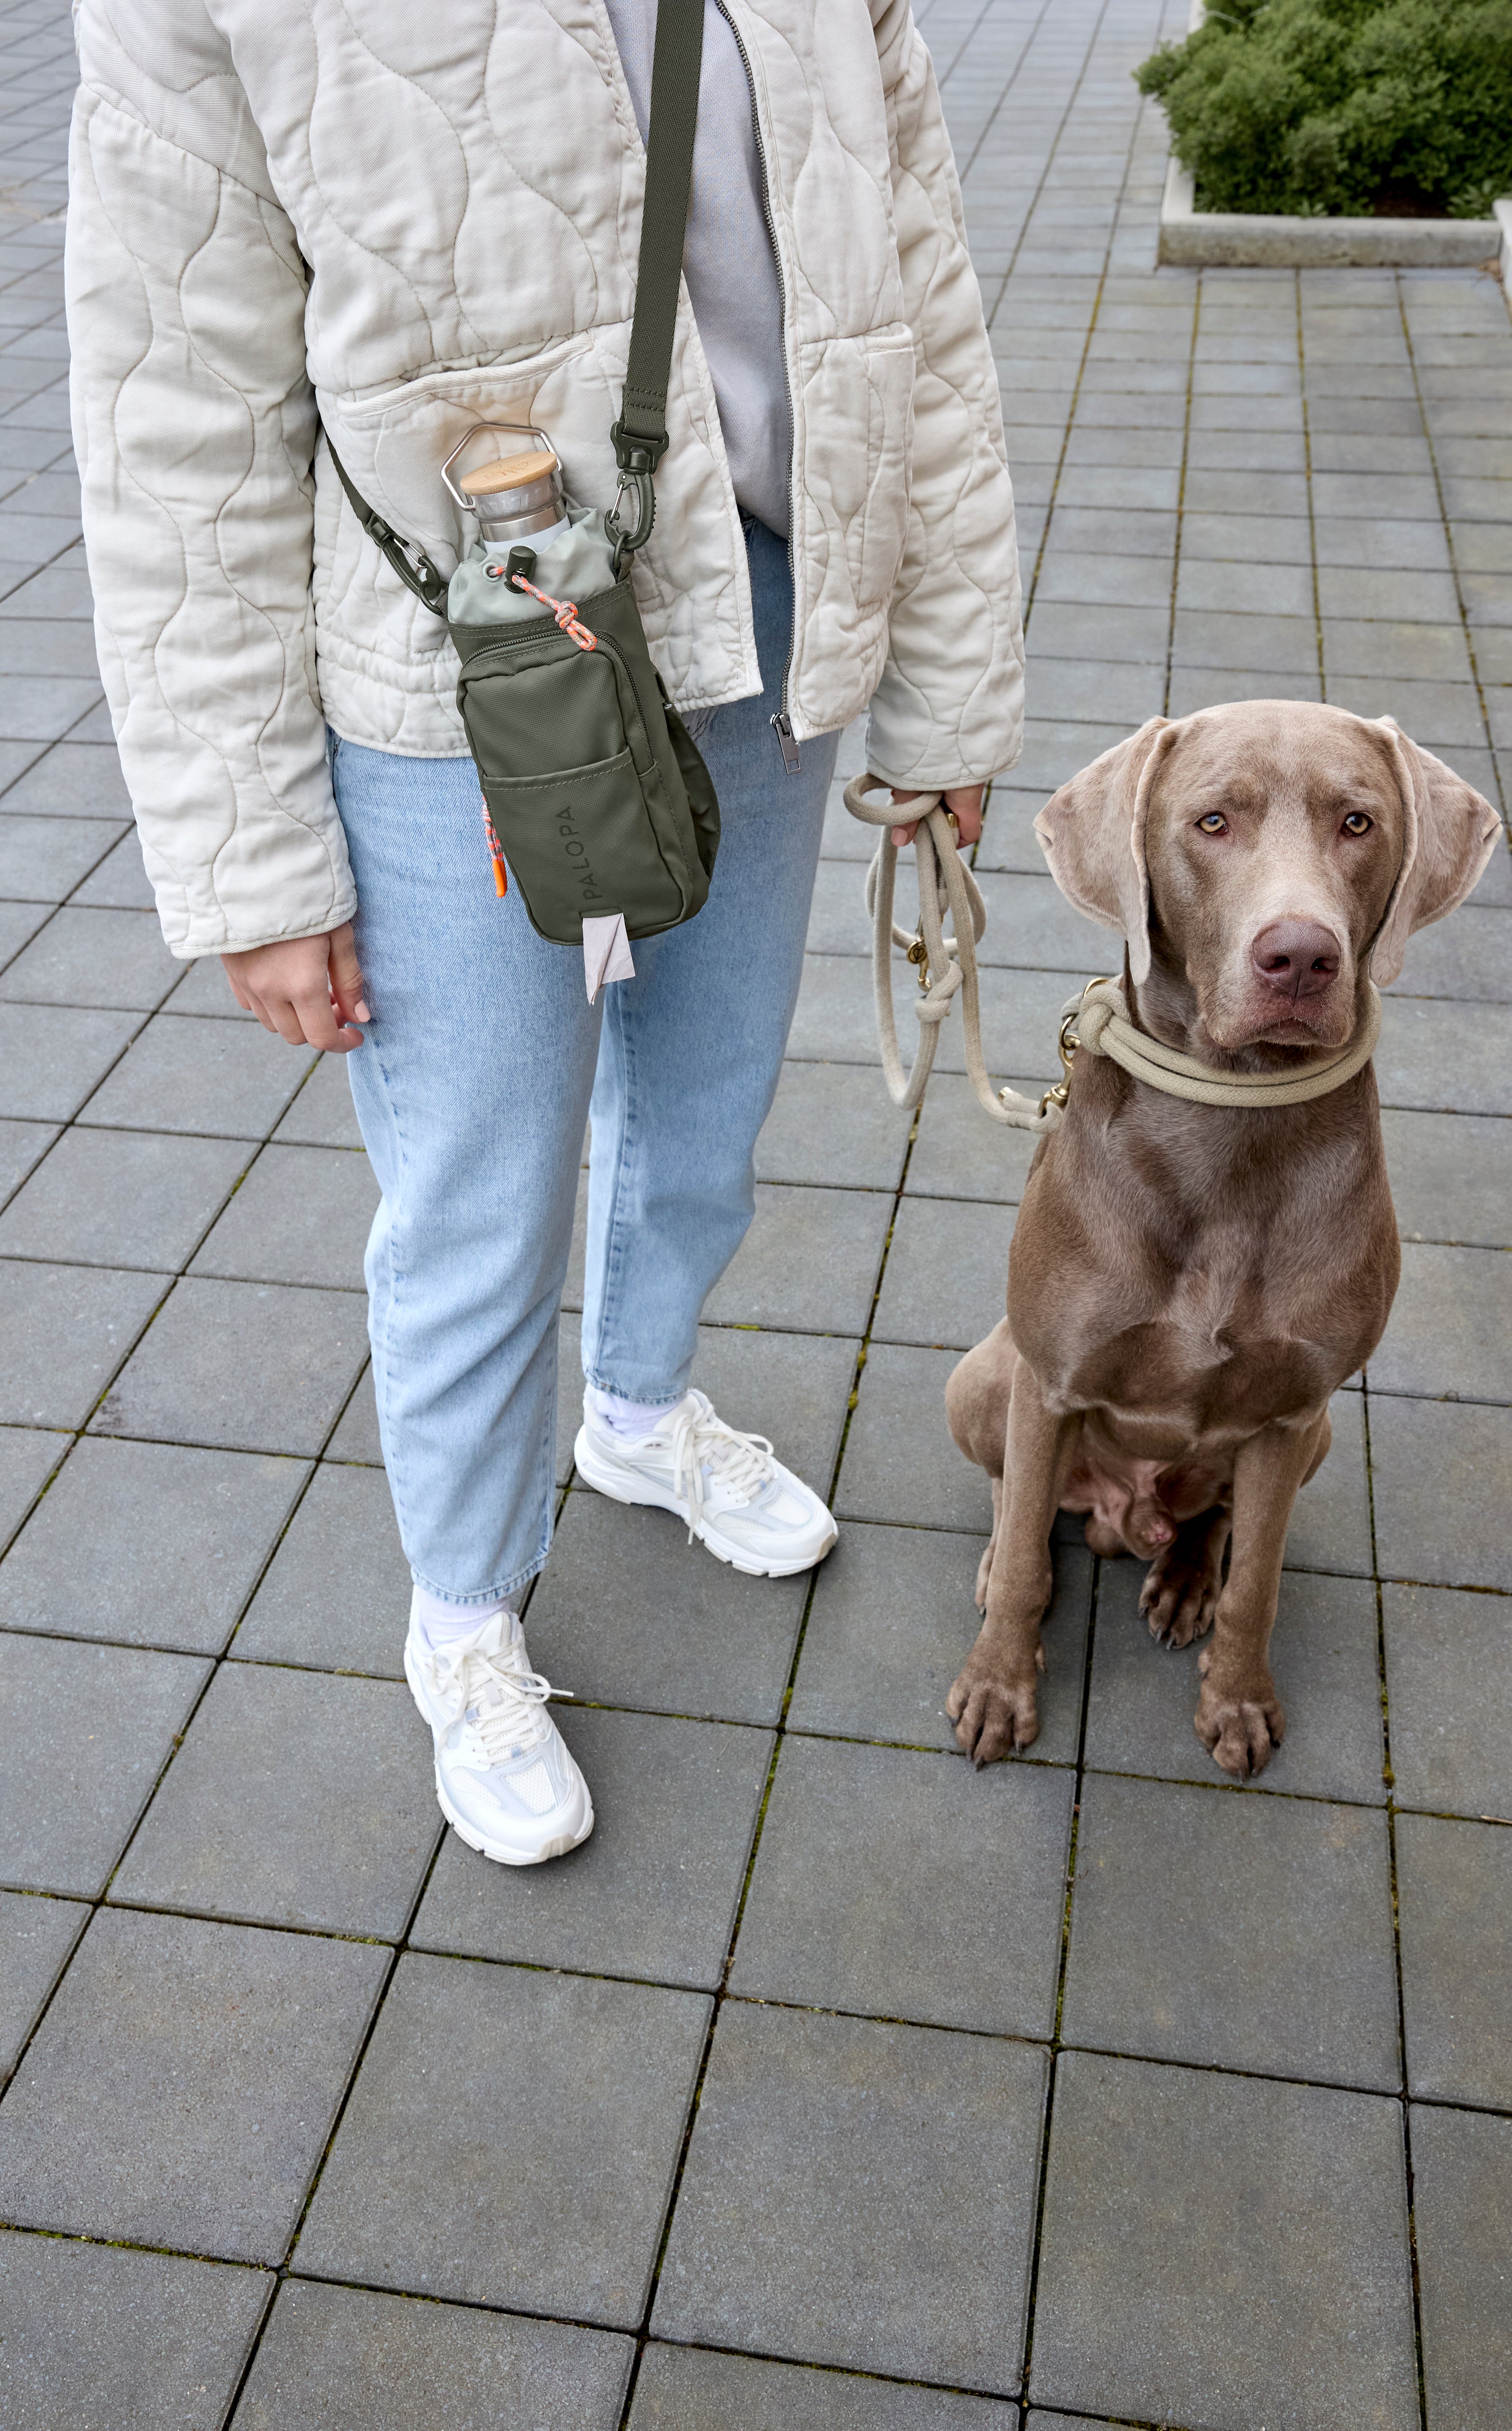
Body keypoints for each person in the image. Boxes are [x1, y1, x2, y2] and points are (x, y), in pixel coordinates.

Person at [66, 0, 1024, 1865]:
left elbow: (916, 285)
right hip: (468, 661)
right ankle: (467, 1615)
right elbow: (174, 412)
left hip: (774, 600)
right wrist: (256, 864)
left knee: (711, 1094)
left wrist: (950, 693)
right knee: (476, 1184)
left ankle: (644, 1409)